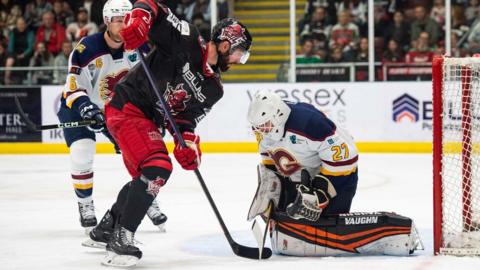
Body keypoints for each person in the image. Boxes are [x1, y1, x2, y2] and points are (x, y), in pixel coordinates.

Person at [90, 0, 252, 266]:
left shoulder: (215, 89)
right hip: (127, 105)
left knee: (145, 177)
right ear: (225, 44)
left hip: (147, 120)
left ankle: (108, 226)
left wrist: (186, 144)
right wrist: (140, 20)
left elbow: (186, 119)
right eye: (239, 53)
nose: (238, 61)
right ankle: (122, 238)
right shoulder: (186, 40)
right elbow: (151, 6)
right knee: (157, 167)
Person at [246, 91, 421, 256]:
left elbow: (347, 159)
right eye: (257, 127)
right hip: (301, 175)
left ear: (279, 115)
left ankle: (391, 233)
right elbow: (270, 159)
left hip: (339, 176)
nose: (260, 130)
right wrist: (271, 187)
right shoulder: (265, 130)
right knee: (291, 221)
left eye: (264, 125)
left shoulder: (309, 123)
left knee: (326, 225)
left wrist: (320, 193)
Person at [57, 0, 167, 236]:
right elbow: (73, 86)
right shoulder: (87, 48)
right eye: (118, 20)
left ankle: (143, 198)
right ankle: (85, 203)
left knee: (139, 153)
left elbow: (151, 85)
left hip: (116, 110)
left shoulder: (140, 47)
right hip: (79, 106)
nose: (123, 24)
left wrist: (157, 113)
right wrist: (87, 108)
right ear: (107, 21)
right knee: (82, 153)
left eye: (127, 19)